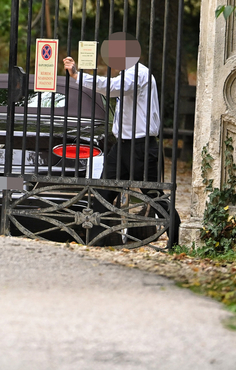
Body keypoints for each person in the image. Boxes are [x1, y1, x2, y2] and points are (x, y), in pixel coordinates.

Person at [63, 37, 164, 244]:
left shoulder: (138, 74)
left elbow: (111, 87)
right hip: (122, 146)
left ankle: (176, 236)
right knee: (104, 191)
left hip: (141, 146)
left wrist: (77, 75)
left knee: (153, 196)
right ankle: (95, 240)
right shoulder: (127, 73)